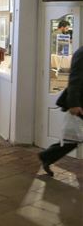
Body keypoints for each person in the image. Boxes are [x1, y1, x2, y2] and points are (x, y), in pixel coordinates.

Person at [38, 45, 83, 177]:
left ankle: (47, 156)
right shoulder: (82, 53)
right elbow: (74, 80)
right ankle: (47, 156)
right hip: (79, 102)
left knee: (74, 139)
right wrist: (74, 103)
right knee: (73, 138)